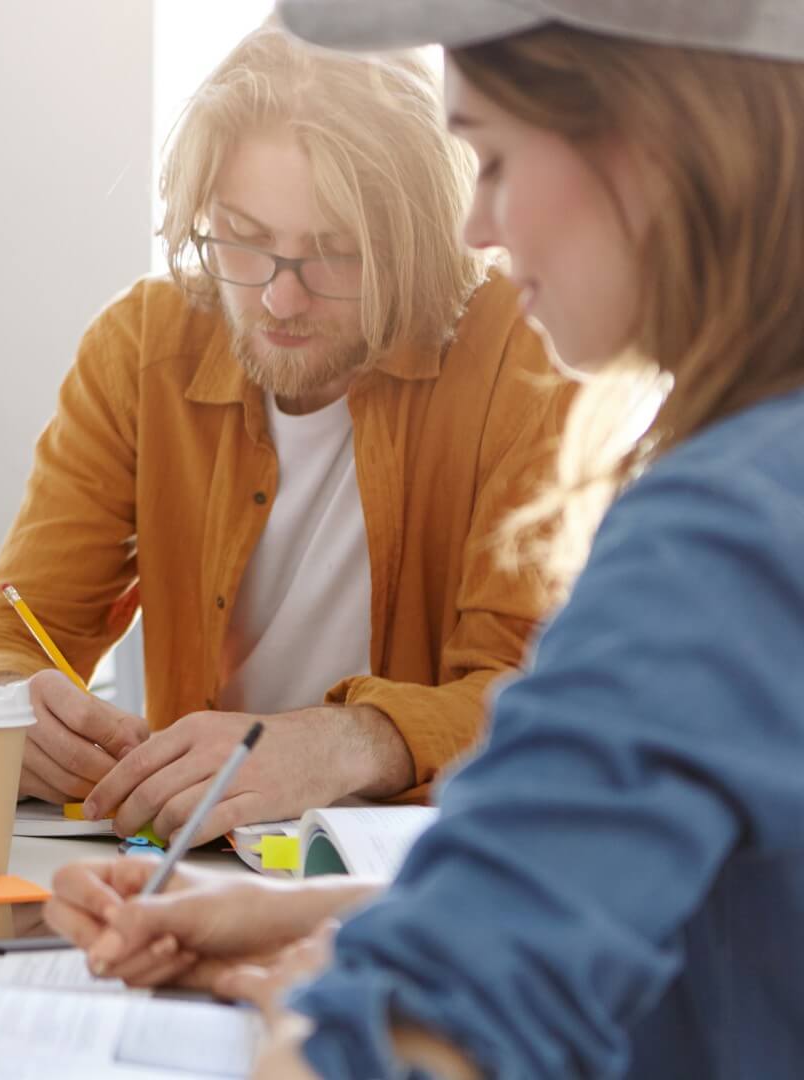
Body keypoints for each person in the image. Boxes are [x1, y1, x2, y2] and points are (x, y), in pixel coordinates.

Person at [48, 2, 804, 1075]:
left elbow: (398, 1056)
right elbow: (709, 914)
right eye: (248, 243)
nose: (477, 224)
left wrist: (310, 1006)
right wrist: (348, 923)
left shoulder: (723, 530)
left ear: (650, 149)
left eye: (492, 157)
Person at [0, 23, 570, 843]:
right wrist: (4, 701)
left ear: (416, 243)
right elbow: (4, 630)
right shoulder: (141, 346)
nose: (278, 299)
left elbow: (533, 698)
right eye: (243, 236)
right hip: (188, 866)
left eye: (335, 253)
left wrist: (347, 743)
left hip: (418, 876)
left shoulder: (530, 352)